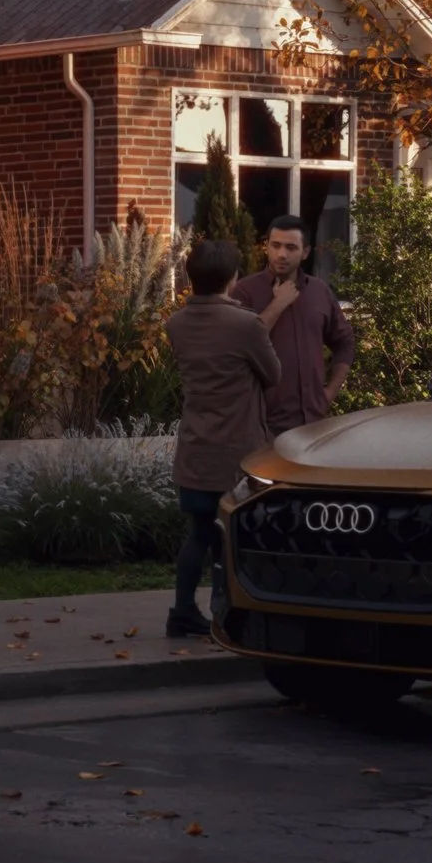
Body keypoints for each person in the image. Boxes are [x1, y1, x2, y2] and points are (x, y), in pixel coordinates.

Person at [165, 235, 280, 637]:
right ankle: (225, 613)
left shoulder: (176, 324)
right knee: (232, 536)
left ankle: (181, 610)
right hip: (237, 452)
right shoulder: (245, 324)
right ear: (232, 277)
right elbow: (273, 374)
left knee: (198, 533)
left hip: (196, 447)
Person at [233, 214, 355, 436]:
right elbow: (240, 347)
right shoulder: (245, 292)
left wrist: (329, 393)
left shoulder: (320, 292)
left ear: (305, 252)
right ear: (266, 247)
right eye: (275, 245)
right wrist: (278, 304)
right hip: (262, 427)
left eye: (291, 247)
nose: (281, 254)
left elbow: (345, 343)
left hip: (313, 423)